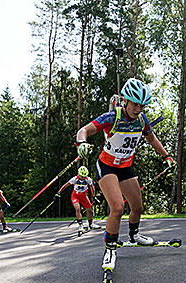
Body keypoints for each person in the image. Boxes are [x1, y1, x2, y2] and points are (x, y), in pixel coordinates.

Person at [75, 78, 176, 272]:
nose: (138, 109)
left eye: (142, 106)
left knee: (137, 207)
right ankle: (110, 249)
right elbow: (84, 130)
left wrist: (166, 156)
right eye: (135, 104)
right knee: (118, 207)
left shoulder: (142, 120)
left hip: (125, 168)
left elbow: (151, 138)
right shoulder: (112, 117)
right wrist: (82, 143)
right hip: (107, 166)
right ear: (125, 101)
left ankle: (134, 235)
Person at [54, 166, 101, 235]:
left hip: (84, 196)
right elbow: (65, 185)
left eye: (84, 176)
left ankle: (91, 224)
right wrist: (58, 193)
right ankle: (80, 225)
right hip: (75, 196)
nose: (83, 178)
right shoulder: (74, 179)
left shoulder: (88, 179)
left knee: (89, 210)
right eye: (82, 176)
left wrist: (94, 197)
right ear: (79, 174)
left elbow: (92, 188)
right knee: (77, 208)